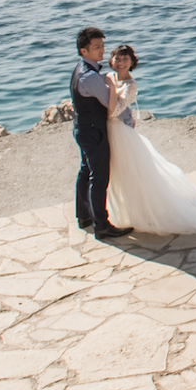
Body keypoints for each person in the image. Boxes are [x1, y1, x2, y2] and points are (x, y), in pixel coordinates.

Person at [102, 46, 196, 235]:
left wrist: (111, 88)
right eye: (117, 59)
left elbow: (114, 111)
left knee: (129, 172)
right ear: (112, 60)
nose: (120, 63)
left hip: (119, 132)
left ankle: (138, 212)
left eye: (125, 59)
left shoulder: (130, 85)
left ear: (132, 62)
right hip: (108, 130)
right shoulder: (108, 77)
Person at [71, 27, 127, 239]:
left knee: (85, 171)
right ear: (83, 51)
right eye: (96, 47)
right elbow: (111, 105)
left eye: (102, 46)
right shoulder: (90, 77)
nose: (101, 50)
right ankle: (102, 225)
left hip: (82, 129)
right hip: (94, 133)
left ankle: (84, 216)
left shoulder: (80, 69)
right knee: (99, 177)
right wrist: (116, 88)